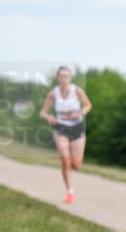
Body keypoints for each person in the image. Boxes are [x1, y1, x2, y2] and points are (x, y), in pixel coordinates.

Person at [39, 66, 92, 204]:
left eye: (66, 76)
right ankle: (69, 191)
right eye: (61, 76)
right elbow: (43, 112)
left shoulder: (77, 91)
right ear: (58, 78)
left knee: (76, 164)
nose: (64, 79)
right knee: (65, 160)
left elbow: (88, 105)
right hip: (61, 127)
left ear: (70, 78)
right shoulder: (53, 93)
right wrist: (49, 117)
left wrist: (80, 113)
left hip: (77, 128)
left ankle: (73, 167)